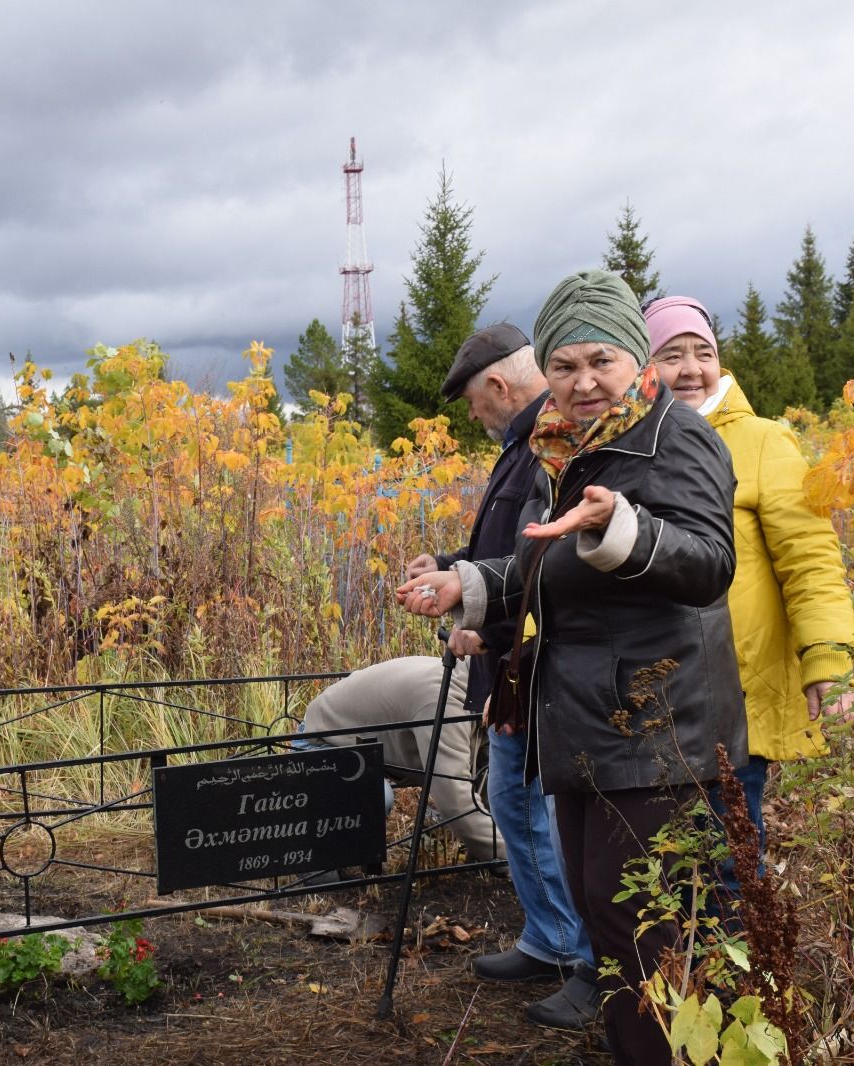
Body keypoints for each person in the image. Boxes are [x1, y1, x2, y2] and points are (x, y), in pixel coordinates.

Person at [396, 270, 747, 1064]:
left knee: (646, 934)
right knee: (604, 916)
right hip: (584, 725)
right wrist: (470, 583)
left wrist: (622, 527)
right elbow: (538, 567)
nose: (584, 381)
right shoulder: (562, 452)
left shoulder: (676, 436)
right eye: (564, 365)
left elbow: (707, 563)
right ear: (544, 370)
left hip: (658, 731)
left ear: (638, 362)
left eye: (603, 360)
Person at [404, 322, 597, 1030]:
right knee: (515, 809)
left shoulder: (551, 446)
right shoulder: (522, 447)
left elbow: (550, 564)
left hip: (537, 663)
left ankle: (585, 960)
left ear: (495, 386)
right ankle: (547, 941)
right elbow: (502, 550)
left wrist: (484, 621)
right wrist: (449, 564)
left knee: (550, 815)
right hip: (508, 660)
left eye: (471, 403)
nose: (472, 417)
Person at [644, 296, 854, 857]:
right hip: (647, 683)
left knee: (729, 850)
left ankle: (741, 946)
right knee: (658, 860)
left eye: (703, 352)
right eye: (672, 355)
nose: (691, 368)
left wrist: (826, 658)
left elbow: (810, 558)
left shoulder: (764, 440)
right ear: (643, 365)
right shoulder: (624, 445)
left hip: (735, 685)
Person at [297, 654, 502, 861]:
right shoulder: (443, 701)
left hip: (364, 748)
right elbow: (456, 800)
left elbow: (487, 776)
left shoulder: (470, 680)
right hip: (320, 740)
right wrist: (515, 863)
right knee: (375, 798)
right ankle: (315, 861)